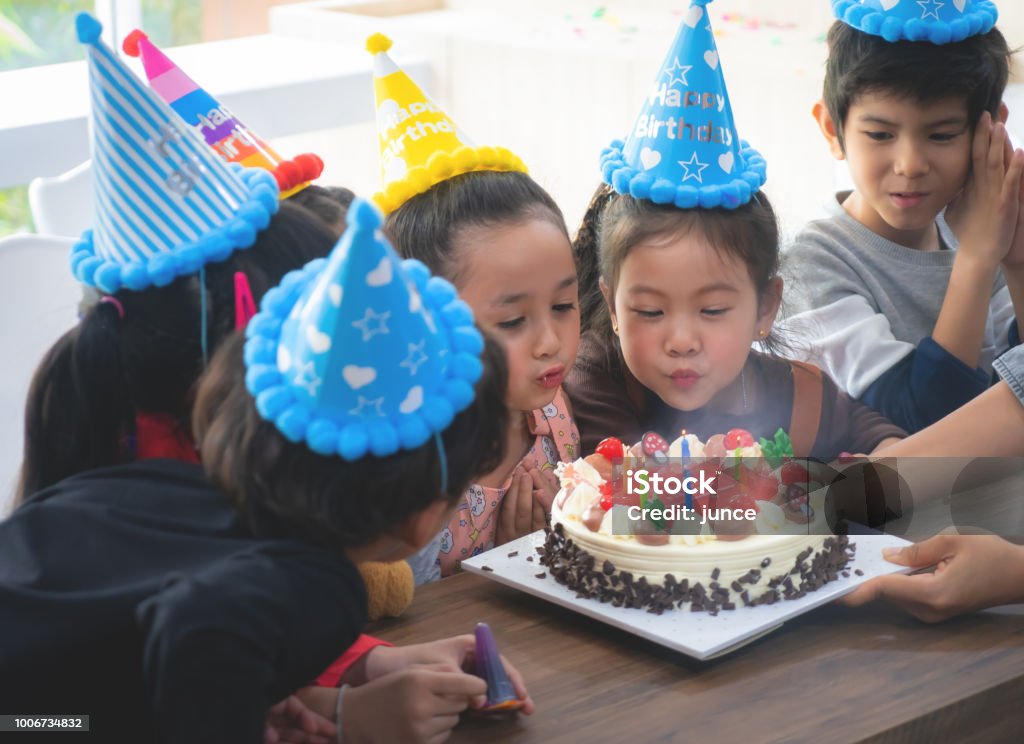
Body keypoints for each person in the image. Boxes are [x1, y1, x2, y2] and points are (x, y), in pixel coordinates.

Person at [0, 198, 534, 742]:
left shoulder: (189, 493)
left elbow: (139, 650)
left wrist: (317, 692)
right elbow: (191, 630)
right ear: (424, 517)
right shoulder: (319, 587)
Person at [567, 3, 904, 459]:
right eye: (648, 311)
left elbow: (888, 445)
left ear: (765, 307)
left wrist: (873, 470)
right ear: (611, 306)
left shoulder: (802, 398)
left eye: (712, 309)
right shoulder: (597, 383)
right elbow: (626, 504)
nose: (681, 341)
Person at [367, 34, 581, 578]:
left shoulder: (552, 410)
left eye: (563, 305)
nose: (550, 341)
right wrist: (502, 564)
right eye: (512, 321)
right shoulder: (410, 468)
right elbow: (396, 610)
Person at [783, 1, 1024, 434]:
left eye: (941, 134)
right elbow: (920, 426)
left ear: (991, 132)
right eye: (880, 134)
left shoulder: (981, 232)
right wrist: (977, 258)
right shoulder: (812, 263)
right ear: (832, 130)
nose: (910, 164)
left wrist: (1018, 263)